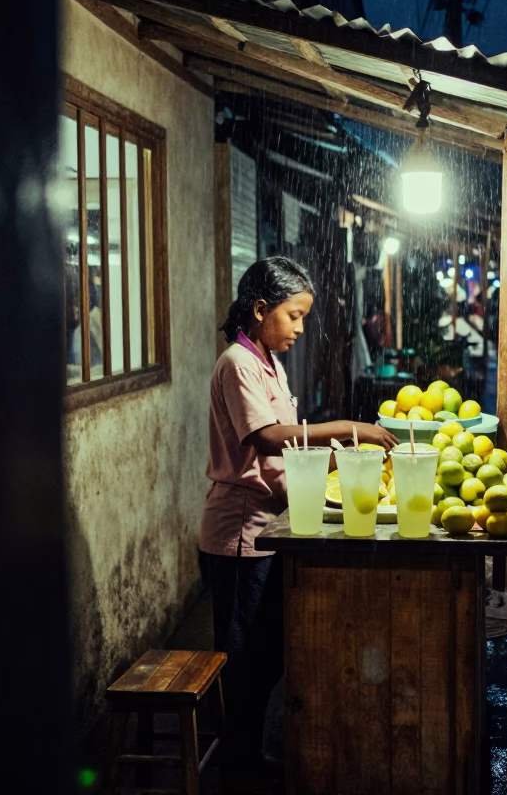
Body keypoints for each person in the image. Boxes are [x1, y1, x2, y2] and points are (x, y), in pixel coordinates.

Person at [200, 256, 398, 785]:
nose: (301, 327)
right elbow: (266, 438)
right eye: (294, 315)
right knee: (245, 657)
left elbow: (290, 445)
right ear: (261, 309)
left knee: (266, 653)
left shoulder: (267, 361)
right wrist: (350, 429)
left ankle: (242, 752)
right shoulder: (237, 364)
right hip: (241, 534)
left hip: (270, 526)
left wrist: (337, 462)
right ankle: (235, 764)